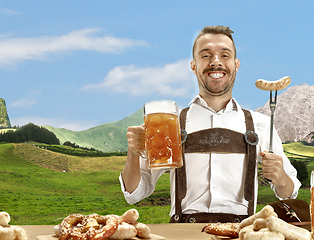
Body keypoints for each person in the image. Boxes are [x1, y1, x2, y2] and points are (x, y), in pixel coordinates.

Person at [119, 25, 301, 223]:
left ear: (236, 64)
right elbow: (135, 193)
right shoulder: (169, 123)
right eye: (206, 55)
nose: (216, 62)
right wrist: (133, 154)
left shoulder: (261, 124)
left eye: (224, 55)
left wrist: (280, 176)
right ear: (194, 65)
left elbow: (289, 193)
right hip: (183, 234)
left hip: (241, 232)